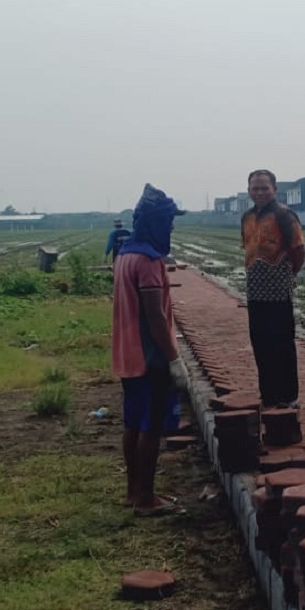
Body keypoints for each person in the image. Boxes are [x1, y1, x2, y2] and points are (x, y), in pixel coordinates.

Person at [111, 184, 188, 516]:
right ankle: (146, 498)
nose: (170, 228)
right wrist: (173, 358)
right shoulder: (148, 262)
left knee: (132, 422)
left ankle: (132, 491)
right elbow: (155, 315)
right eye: (168, 222)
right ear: (155, 223)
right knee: (151, 425)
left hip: (127, 354)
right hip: (150, 355)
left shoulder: (126, 253)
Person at [240, 169, 305, 408]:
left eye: (264, 188)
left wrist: (289, 274)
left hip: (279, 291)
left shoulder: (284, 216)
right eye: (255, 188)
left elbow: (299, 250)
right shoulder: (246, 217)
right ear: (249, 191)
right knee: (260, 343)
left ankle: (288, 396)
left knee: (282, 344)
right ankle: (268, 394)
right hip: (255, 292)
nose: (259, 192)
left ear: (274, 189)